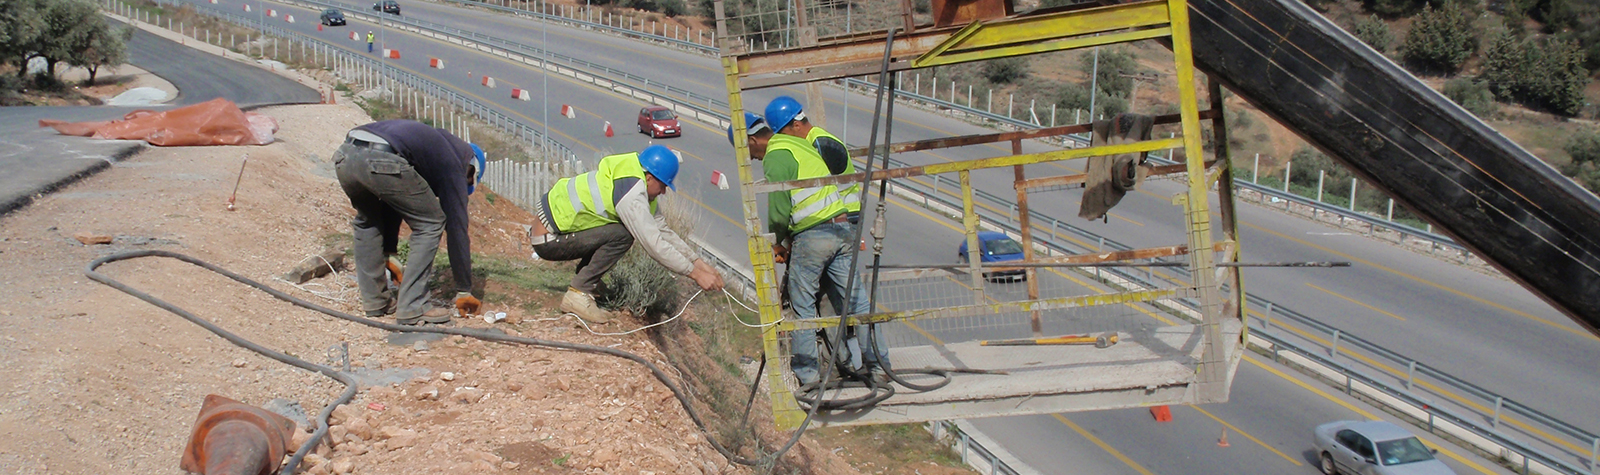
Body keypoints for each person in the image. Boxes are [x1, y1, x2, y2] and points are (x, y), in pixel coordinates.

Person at [759, 97, 888, 390]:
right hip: (841, 230)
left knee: (803, 307)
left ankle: (809, 377)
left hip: (813, 235)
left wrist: (778, 241)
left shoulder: (779, 152)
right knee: (857, 303)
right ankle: (878, 367)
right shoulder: (811, 146)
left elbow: (778, 207)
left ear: (785, 128)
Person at [528, 145, 724, 324]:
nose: (664, 192)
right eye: (663, 185)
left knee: (619, 231)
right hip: (548, 240)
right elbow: (653, 244)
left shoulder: (634, 176)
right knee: (623, 235)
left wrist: (699, 263)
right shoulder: (632, 195)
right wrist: (695, 274)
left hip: (554, 232)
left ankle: (589, 281)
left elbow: (663, 231)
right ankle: (579, 293)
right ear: (649, 178)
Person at [334, 119, 483, 325]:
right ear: (472, 169)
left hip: (346, 155)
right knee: (431, 223)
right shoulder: (455, 162)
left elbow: (394, 198)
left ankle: (376, 302)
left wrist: (390, 253)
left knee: (367, 222)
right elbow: (456, 227)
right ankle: (413, 306)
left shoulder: (426, 146)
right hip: (381, 158)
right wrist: (464, 288)